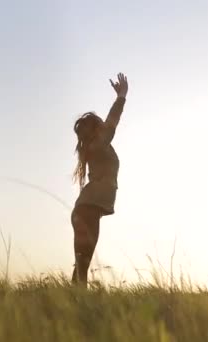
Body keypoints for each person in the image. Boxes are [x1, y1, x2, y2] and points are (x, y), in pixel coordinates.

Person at [71, 72, 128, 287]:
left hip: (87, 208)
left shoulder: (95, 148)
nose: (104, 125)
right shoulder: (98, 145)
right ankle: (76, 301)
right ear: (96, 129)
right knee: (83, 262)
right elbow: (112, 123)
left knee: (82, 263)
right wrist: (121, 97)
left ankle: (74, 301)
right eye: (100, 124)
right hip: (87, 208)